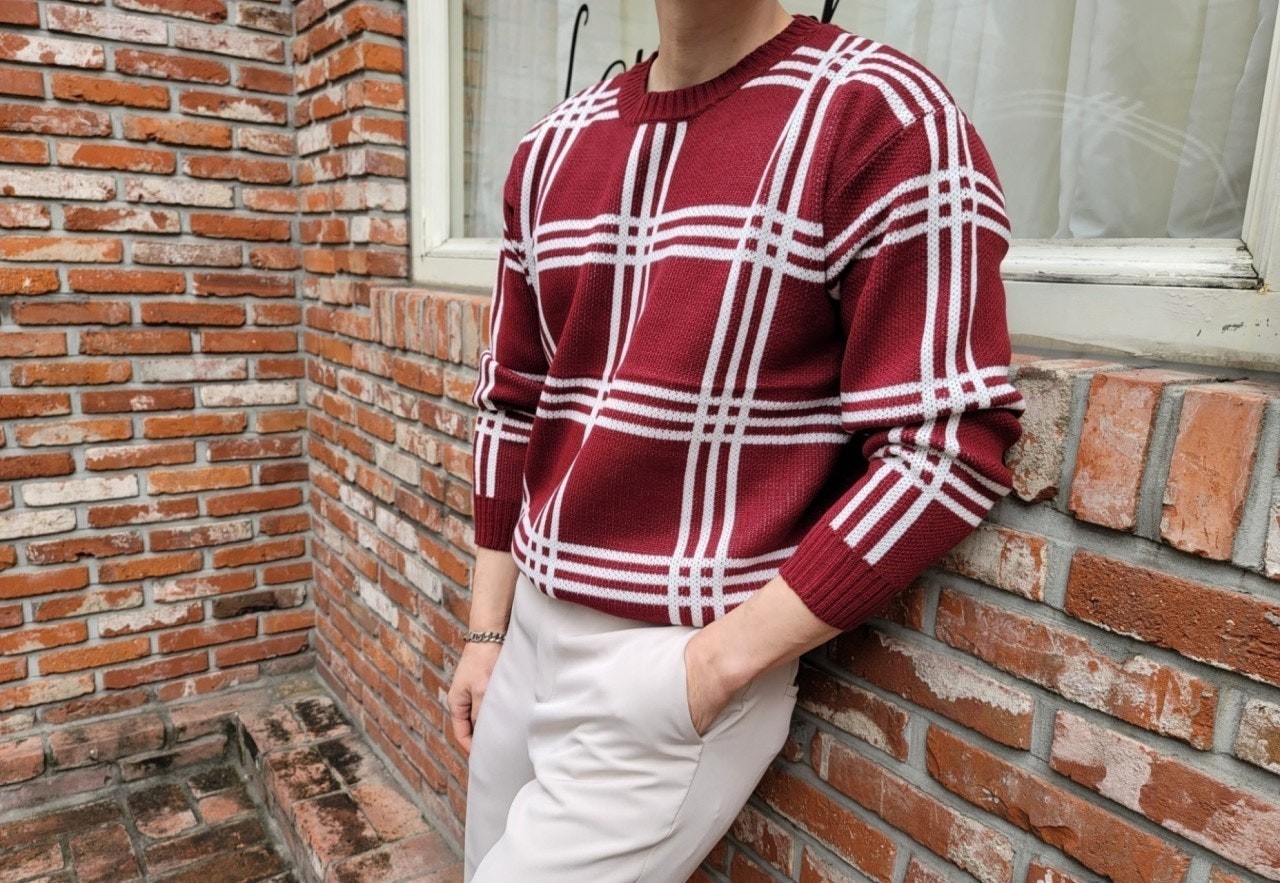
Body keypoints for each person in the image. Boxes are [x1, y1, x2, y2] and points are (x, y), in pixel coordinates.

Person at [448, 1, 1025, 879]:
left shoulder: (879, 115)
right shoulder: (551, 148)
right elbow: (511, 399)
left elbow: (945, 444)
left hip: (674, 655)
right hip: (526, 622)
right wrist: (488, 632)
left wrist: (713, 667)